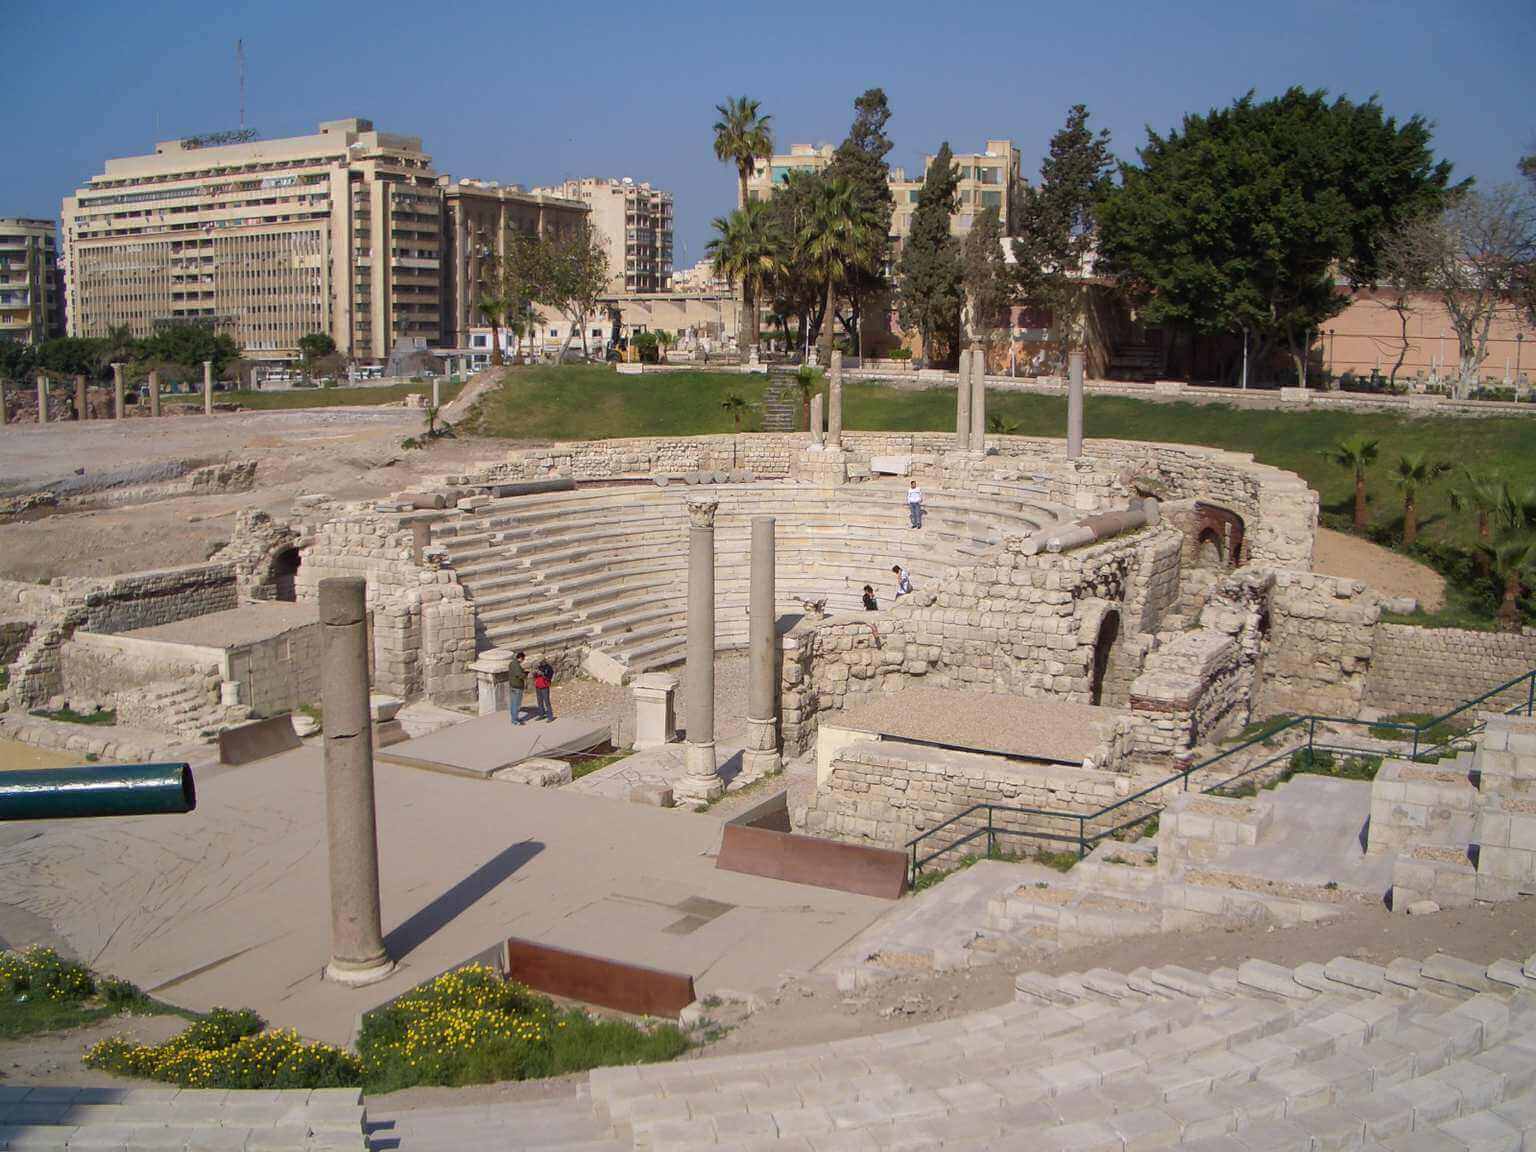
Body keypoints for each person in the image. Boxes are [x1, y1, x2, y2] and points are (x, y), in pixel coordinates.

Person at [508, 651, 527, 726]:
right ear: (521, 658)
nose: (523, 661)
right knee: (517, 704)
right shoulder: (516, 665)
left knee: (513, 703)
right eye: (523, 659)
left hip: (512, 686)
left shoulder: (512, 663)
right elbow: (519, 675)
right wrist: (525, 674)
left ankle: (514, 717)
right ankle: (514, 720)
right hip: (517, 687)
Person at [534, 657, 555, 722]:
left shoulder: (549, 668)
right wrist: (535, 673)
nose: (540, 663)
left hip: (545, 687)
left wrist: (542, 674)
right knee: (539, 702)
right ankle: (541, 715)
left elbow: (549, 677)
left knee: (547, 702)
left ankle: (550, 716)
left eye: (541, 661)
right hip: (538, 686)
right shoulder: (539, 667)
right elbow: (535, 676)